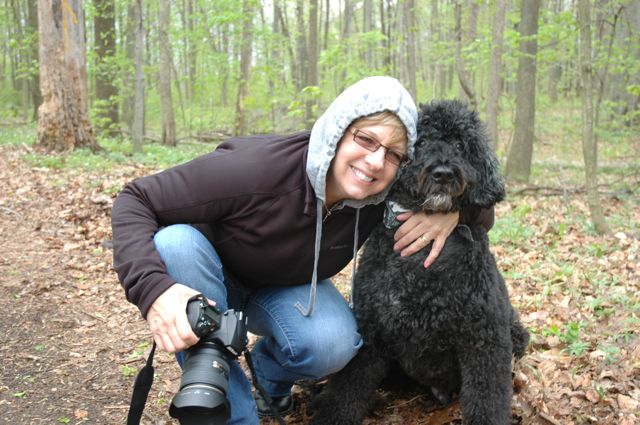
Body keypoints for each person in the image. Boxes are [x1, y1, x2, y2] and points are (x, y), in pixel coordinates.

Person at [111, 76, 492, 424]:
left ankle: (270, 383)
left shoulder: (381, 190)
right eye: (365, 140)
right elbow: (135, 198)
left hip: (277, 288)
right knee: (175, 242)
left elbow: (477, 196)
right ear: (339, 131)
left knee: (335, 343)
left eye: (393, 153)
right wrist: (154, 290)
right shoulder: (255, 169)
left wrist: (453, 215)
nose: (375, 161)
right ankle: (231, 412)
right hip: (206, 277)